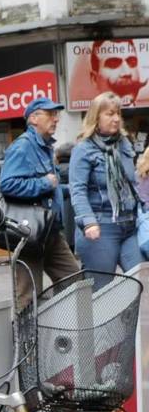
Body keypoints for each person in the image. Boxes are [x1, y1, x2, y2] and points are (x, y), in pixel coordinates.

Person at [0, 97, 81, 306]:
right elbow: (7, 185)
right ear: (34, 118)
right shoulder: (23, 147)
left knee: (75, 282)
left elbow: (50, 187)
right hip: (30, 232)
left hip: (50, 230)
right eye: (50, 114)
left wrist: (69, 190)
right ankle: (26, 339)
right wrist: (44, 183)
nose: (56, 119)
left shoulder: (44, 147)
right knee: (28, 296)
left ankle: (62, 329)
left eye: (57, 115)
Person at [69, 91, 140, 289]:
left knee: (142, 283)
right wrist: (88, 222)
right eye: (109, 114)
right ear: (95, 117)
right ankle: (96, 321)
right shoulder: (83, 149)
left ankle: (132, 321)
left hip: (129, 226)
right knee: (100, 292)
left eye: (118, 113)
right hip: (100, 228)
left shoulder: (124, 143)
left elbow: (132, 184)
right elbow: (78, 190)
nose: (116, 118)